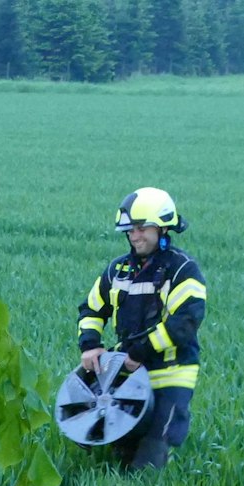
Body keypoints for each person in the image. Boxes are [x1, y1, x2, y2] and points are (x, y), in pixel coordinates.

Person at [76, 187, 207, 470]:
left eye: (141, 228)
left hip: (170, 374)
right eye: (130, 230)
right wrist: (90, 344)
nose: (134, 236)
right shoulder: (117, 270)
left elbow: (184, 323)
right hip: (127, 372)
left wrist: (139, 351)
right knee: (122, 448)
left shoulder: (183, 270)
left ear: (162, 227)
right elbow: (91, 309)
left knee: (153, 449)